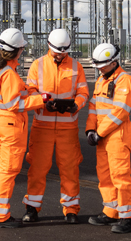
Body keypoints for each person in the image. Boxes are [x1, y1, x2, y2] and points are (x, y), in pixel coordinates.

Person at [21, 28, 89, 224]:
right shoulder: (37, 65)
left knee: (70, 169)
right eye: (58, 52)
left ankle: (71, 209)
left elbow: (83, 92)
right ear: (50, 47)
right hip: (42, 126)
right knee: (38, 169)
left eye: (64, 52)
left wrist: (77, 105)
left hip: (68, 128)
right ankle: (32, 208)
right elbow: (31, 91)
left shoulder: (77, 67)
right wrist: (44, 103)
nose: (61, 55)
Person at [0, 27, 48, 228]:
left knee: (1, 169)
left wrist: (29, 90)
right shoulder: (9, 74)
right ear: (19, 50)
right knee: (9, 170)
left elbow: (9, 95)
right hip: (11, 126)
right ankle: (0, 216)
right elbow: (15, 104)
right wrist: (41, 99)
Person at [86, 43, 131, 234]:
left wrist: (99, 132)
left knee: (120, 177)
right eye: (98, 65)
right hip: (102, 135)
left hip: (116, 136)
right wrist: (90, 129)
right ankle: (111, 211)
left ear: (114, 62)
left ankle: (127, 217)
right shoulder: (101, 80)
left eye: (104, 65)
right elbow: (93, 106)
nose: (100, 68)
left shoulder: (126, 81)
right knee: (104, 176)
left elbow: (120, 112)